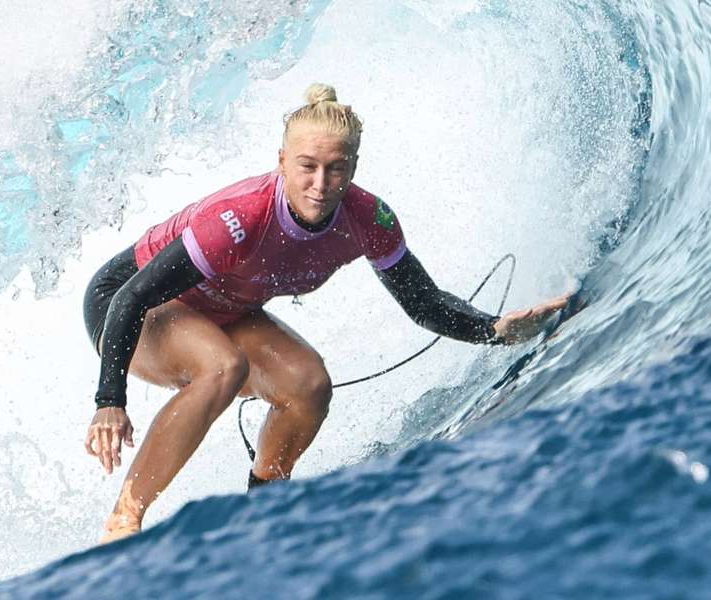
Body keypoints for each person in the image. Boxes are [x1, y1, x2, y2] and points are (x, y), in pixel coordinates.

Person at [82, 83, 570, 543]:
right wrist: (110, 400)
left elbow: (421, 302)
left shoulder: (368, 219)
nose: (320, 184)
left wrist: (496, 330)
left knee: (308, 384)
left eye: (336, 168)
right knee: (223, 368)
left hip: (221, 309)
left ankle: (264, 513)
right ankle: (125, 518)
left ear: (353, 167)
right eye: (307, 166)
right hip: (127, 306)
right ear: (282, 162)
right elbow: (129, 298)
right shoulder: (240, 218)